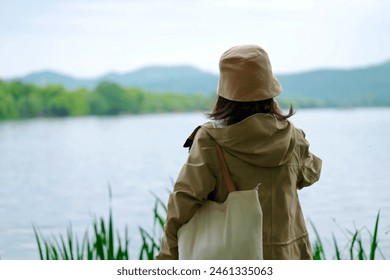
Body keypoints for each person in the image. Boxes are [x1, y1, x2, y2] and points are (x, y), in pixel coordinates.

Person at [156, 44, 322, 260]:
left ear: (224, 92)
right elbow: (310, 174)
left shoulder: (211, 141)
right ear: (270, 89)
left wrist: (166, 258)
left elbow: (182, 204)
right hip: (288, 254)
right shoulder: (292, 137)